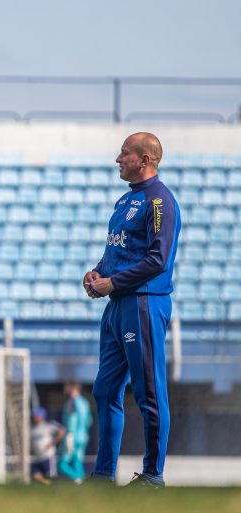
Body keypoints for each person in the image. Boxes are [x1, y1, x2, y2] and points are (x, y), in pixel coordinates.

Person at [83, 132, 180, 488]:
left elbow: (157, 259)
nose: (117, 159)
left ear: (145, 159)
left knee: (148, 391)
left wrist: (115, 282)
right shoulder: (125, 201)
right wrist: (97, 273)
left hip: (142, 302)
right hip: (117, 305)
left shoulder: (160, 202)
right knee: (105, 390)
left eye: (124, 153)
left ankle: (153, 476)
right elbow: (118, 251)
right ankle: (105, 475)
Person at [57, 382, 92, 484]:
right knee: (77, 460)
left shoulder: (72, 402)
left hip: (72, 436)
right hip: (83, 436)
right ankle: (81, 481)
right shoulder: (85, 402)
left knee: (61, 464)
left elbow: (72, 419)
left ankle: (78, 477)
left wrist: (70, 434)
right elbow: (89, 420)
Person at [30, 407, 65, 485]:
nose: (34, 418)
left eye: (36, 416)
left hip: (48, 456)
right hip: (37, 457)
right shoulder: (32, 429)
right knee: (36, 475)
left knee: (51, 476)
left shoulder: (48, 425)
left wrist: (53, 443)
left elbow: (61, 430)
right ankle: (47, 484)